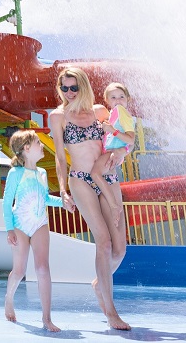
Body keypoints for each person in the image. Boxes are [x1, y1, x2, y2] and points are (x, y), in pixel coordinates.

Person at [47, 67, 131, 330]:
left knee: (120, 249)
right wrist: (62, 190)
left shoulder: (100, 112)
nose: (69, 93)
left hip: (107, 177)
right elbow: (61, 158)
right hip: (81, 179)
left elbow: (120, 142)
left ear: (83, 87)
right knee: (103, 243)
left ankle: (99, 282)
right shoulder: (58, 116)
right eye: (64, 88)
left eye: (74, 88)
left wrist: (121, 156)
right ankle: (111, 312)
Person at [2, 129, 73, 332]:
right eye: (38, 143)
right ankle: (9, 299)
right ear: (27, 148)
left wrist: (63, 203)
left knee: (43, 269)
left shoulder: (41, 173)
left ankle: (46, 318)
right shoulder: (15, 174)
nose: (42, 146)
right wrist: (9, 230)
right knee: (19, 270)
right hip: (20, 226)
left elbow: (45, 198)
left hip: (40, 222)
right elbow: (7, 203)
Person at [89, 82, 136, 224]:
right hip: (110, 153)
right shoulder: (113, 115)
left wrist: (112, 131)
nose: (118, 100)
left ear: (128, 99)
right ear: (107, 101)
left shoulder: (122, 114)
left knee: (95, 174)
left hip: (110, 154)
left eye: (121, 97)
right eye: (114, 97)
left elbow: (131, 140)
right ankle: (113, 210)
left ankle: (114, 207)